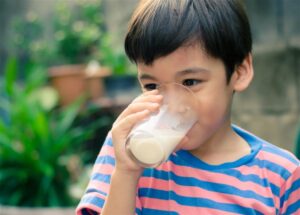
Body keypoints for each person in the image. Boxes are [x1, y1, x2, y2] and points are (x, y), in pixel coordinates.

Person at [76, 0, 300, 214]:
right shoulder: (126, 152)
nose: (173, 104)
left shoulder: (281, 176)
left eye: (190, 82)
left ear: (239, 72)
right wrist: (125, 174)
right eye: (152, 85)